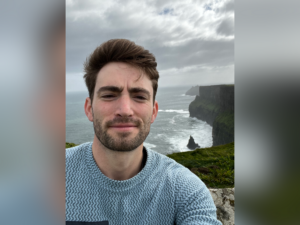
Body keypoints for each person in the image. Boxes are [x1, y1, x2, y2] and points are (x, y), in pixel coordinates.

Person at [66, 39, 221, 225]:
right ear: (89, 108)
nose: (125, 109)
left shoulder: (186, 192)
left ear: (154, 111)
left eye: (139, 97)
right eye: (109, 95)